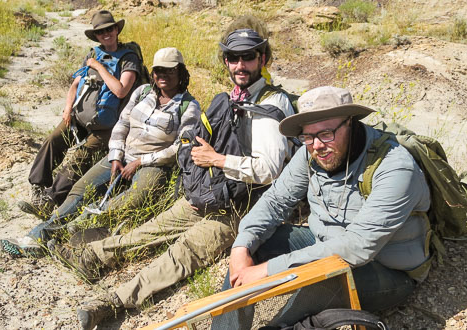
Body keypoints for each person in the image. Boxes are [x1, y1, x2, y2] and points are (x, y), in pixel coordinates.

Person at [53, 27, 295, 330]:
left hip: (245, 208)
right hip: (215, 191)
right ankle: (90, 256)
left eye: (248, 58)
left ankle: (113, 302)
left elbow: (269, 169)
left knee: (182, 254)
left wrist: (216, 160)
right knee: (153, 229)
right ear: (226, 61)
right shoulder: (233, 98)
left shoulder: (271, 105)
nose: (239, 65)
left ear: (262, 59)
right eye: (233, 58)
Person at [211, 86, 432, 329]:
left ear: (350, 122)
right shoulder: (311, 153)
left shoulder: (394, 167)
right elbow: (275, 201)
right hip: (323, 245)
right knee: (260, 242)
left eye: (326, 133)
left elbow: (358, 247)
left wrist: (268, 270)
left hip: (385, 270)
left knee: (321, 280)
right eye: (307, 137)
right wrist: (242, 245)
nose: (316, 145)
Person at [1, 47, 200, 257]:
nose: (163, 76)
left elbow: (179, 147)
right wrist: (115, 156)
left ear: (180, 73)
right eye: (159, 70)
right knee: (80, 190)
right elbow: (122, 124)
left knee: (132, 199)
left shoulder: (189, 106)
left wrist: (140, 162)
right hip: (122, 155)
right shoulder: (142, 93)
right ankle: (36, 237)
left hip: (153, 165)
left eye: (170, 70)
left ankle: (69, 231)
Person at [20, 10, 141, 218]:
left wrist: (99, 67)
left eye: (110, 29)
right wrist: (68, 107)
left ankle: (51, 200)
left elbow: (121, 90)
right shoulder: (93, 53)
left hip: (107, 124)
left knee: (80, 157)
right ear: (96, 36)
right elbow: (76, 83)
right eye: (101, 32)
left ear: (116, 30)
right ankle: (38, 187)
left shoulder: (128, 58)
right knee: (53, 140)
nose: (106, 34)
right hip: (80, 116)